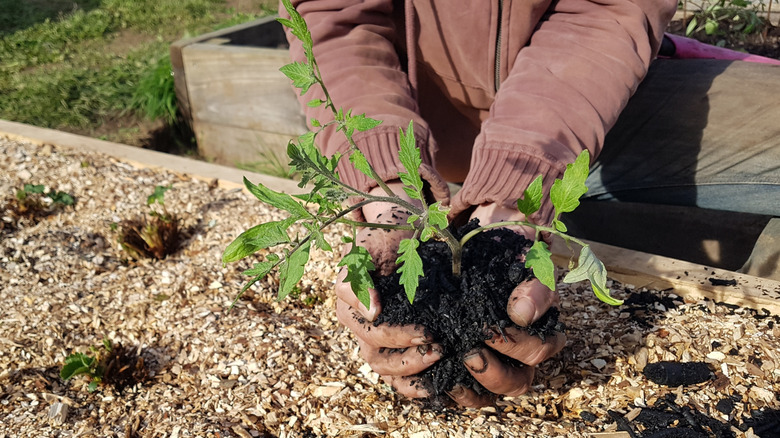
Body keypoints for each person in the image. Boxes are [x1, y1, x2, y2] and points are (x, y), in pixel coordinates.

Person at [280, 0, 780, 407]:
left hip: (593, 99)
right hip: (424, 134)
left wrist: (514, 191)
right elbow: (334, 20)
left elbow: (608, 11)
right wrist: (384, 191)